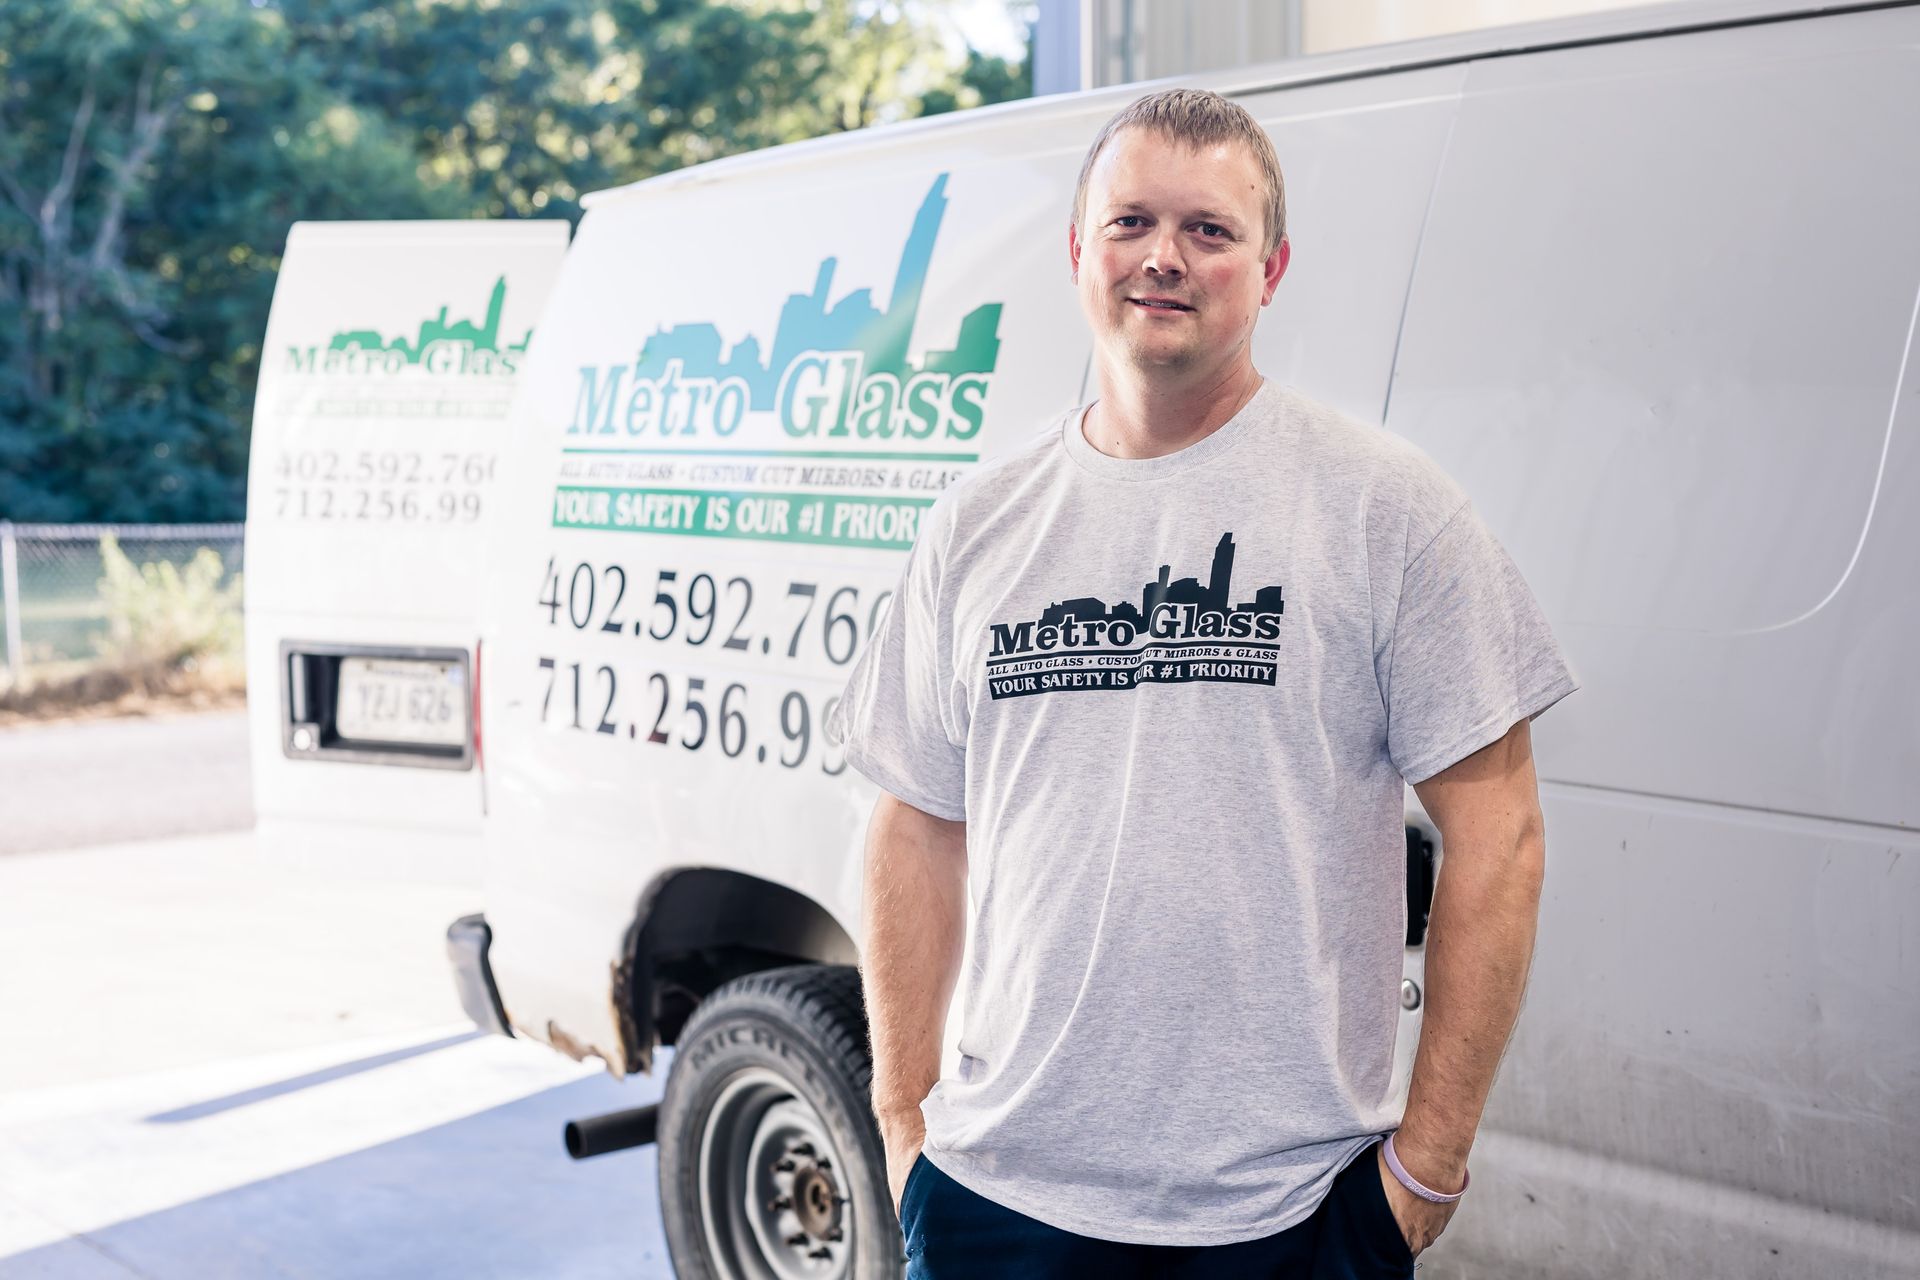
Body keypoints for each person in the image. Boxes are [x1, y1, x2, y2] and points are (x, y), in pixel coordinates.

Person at [826, 86, 1579, 1278]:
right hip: (994, 1197)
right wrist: (907, 1119)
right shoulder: (976, 526)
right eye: (1129, 222)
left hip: (1284, 1211)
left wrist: (1425, 1168)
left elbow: (1505, 838)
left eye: (1210, 230)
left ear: (1271, 269)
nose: (1163, 257)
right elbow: (913, 824)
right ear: (1079, 252)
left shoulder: (1387, 509)